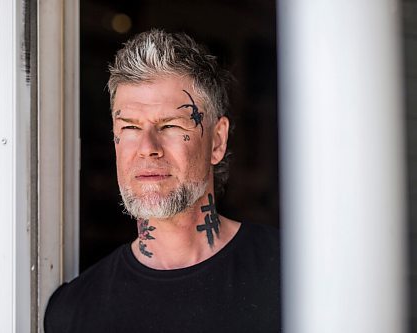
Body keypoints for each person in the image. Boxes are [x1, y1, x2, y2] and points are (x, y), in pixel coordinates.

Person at [44, 29, 280, 332]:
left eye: (169, 125)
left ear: (217, 142)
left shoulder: (294, 278)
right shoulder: (73, 312)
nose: (147, 148)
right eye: (129, 127)